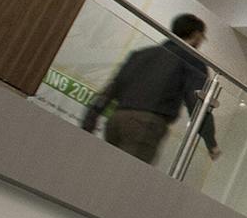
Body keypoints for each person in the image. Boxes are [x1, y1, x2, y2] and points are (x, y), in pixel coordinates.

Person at [80, 13, 221, 168]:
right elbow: (197, 104)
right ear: (196, 35)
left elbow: (113, 87)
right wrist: (211, 143)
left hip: (116, 119)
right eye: (202, 37)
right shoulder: (193, 62)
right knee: (125, 175)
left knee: (101, 170)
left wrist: (90, 119)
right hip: (146, 125)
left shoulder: (141, 54)